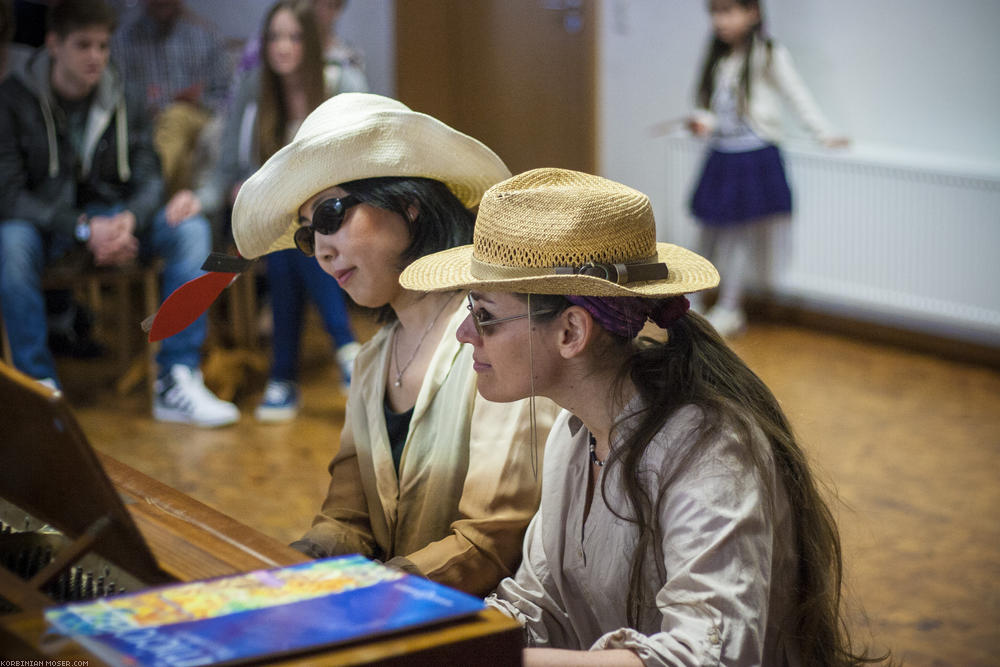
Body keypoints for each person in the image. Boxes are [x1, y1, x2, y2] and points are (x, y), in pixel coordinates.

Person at [399, 168, 887, 665]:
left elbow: (704, 658)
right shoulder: (575, 435)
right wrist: (434, 641)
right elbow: (537, 603)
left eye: (483, 314)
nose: (463, 333)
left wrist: (491, 660)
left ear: (571, 331)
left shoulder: (711, 452)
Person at [229, 93, 559, 596]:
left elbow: (490, 542)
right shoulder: (371, 360)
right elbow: (347, 518)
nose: (320, 248)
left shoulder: (500, 339)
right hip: (394, 621)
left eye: (331, 215)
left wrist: (362, 596)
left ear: (408, 203)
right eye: (306, 235)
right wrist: (290, 568)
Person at [0, 0, 238, 427]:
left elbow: (149, 176)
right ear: (54, 44)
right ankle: (38, 389)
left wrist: (129, 218)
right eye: (83, 45)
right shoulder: (15, 100)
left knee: (191, 231)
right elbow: (10, 194)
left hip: (115, 217)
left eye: (103, 46)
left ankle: (176, 376)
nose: (96, 57)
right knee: (10, 240)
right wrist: (81, 227)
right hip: (49, 225)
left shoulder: (122, 94)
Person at [196, 0, 361, 422]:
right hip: (273, 216)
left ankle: (283, 377)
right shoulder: (253, 86)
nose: (282, 47)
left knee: (294, 238)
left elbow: (364, 159)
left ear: (310, 40)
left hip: (339, 211)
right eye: (274, 37)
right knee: (289, 236)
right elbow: (229, 165)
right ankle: (344, 348)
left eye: (293, 36)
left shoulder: (341, 80)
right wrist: (202, 198)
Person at [685, 0, 847, 337]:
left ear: (752, 13)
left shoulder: (768, 53)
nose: (720, 21)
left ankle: (730, 306)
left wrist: (824, 133)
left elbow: (796, 94)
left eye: (728, 11)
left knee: (738, 237)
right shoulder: (719, 56)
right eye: (715, 12)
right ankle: (693, 302)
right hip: (723, 153)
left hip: (752, 154)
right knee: (708, 231)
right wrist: (704, 122)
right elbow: (718, 106)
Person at [111, 0, 231, 197]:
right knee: (177, 148)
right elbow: (116, 100)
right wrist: (151, 106)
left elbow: (226, 98)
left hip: (196, 121)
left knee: (176, 117)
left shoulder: (206, 35)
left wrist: (197, 100)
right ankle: (174, 206)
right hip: (143, 124)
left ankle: (149, 201)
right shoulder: (122, 41)